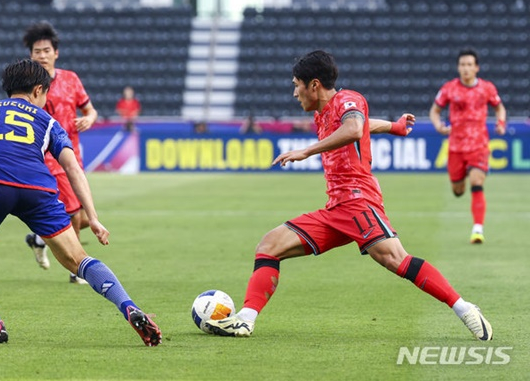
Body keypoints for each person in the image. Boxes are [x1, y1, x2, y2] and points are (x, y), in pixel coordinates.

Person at [204, 50, 493, 342]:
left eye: (296, 84)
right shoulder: (324, 113)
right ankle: (245, 320)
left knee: (396, 259)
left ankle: (464, 308)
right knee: (269, 245)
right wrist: (394, 127)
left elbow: (355, 128)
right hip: (336, 208)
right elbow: (365, 125)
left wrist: (306, 150)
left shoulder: (347, 100)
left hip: (357, 202)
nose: (294, 93)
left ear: (314, 85)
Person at [0, 59, 161, 346]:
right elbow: (73, 169)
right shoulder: (47, 120)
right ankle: (128, 306)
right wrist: (93, 218)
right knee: (78, 260)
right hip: (38, 189)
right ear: (38, 90)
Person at [22, 21, 99, 284]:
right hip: (44, 157)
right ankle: (76, 269)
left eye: (46, 50)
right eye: (36, 51)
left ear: (56, 52)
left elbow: (89, 109)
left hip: (72, 154)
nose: (42, 55)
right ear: (30, 55)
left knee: (84, 216)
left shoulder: (71, 79)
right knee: (74, 213)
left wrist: (89, 118)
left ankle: (40, 238)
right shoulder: (26, 85)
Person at [429, 48, 507, 244]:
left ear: (476, 68)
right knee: (458, 190)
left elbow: (499, 107)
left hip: (479, 145)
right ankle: (459, 183)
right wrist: (438, 126)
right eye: (462, 65)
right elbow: (435, 110)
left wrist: (501, 122)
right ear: (458, 67)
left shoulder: (487, 88)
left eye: (469, 65)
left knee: (476, 183)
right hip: (455, 147)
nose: (466, 69)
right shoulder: (449, 88)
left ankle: (477, 230)